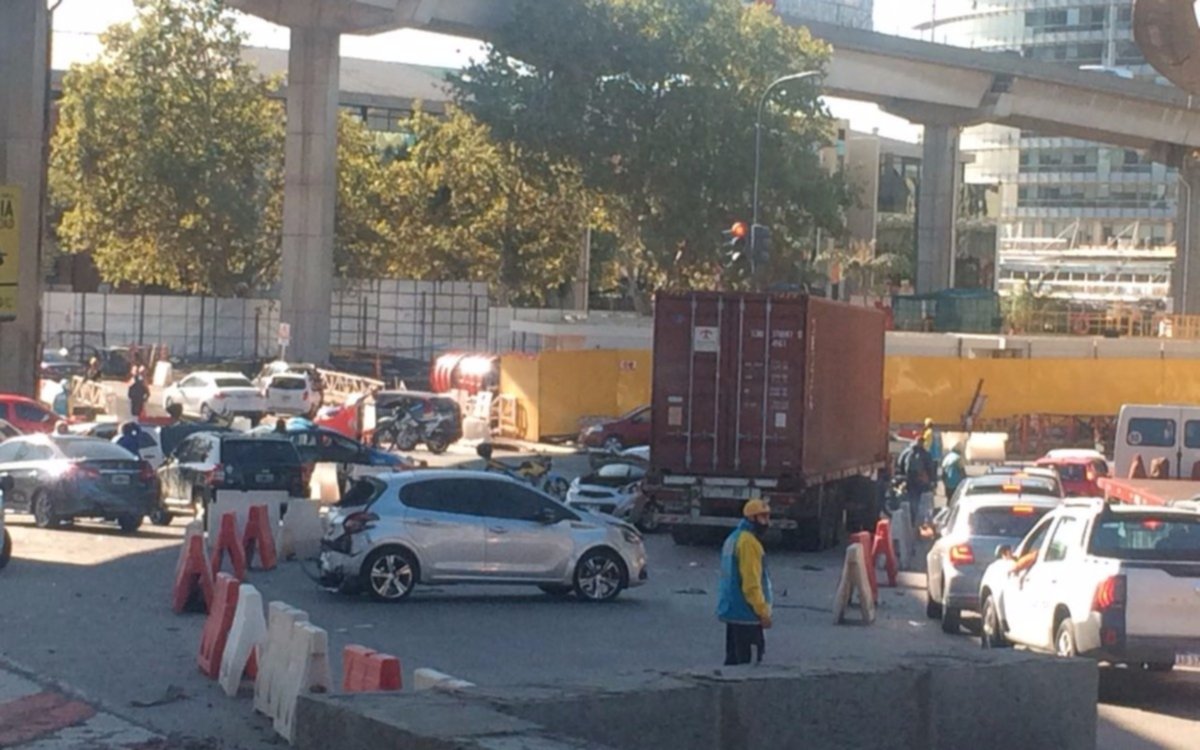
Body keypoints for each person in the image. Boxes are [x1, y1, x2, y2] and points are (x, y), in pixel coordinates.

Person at [717, 499, 773, 666]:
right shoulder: (749, 543)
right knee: (749, 667)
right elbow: (751, 583)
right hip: (747, 615)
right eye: (763, 517)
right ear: (751, 518)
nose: (767, 522)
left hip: (732, 611)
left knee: (732, 663)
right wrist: (763, 612)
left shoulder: (734, 538)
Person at [941, 443, 966, 507]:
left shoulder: (947, 457)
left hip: (948, 483)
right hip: (956, 483)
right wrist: (965, 480)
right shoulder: (958, 458)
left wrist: (944, 482)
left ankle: (948, 514)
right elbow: (961, 470)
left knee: (949, 500)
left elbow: (943, 471)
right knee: (956, 501)